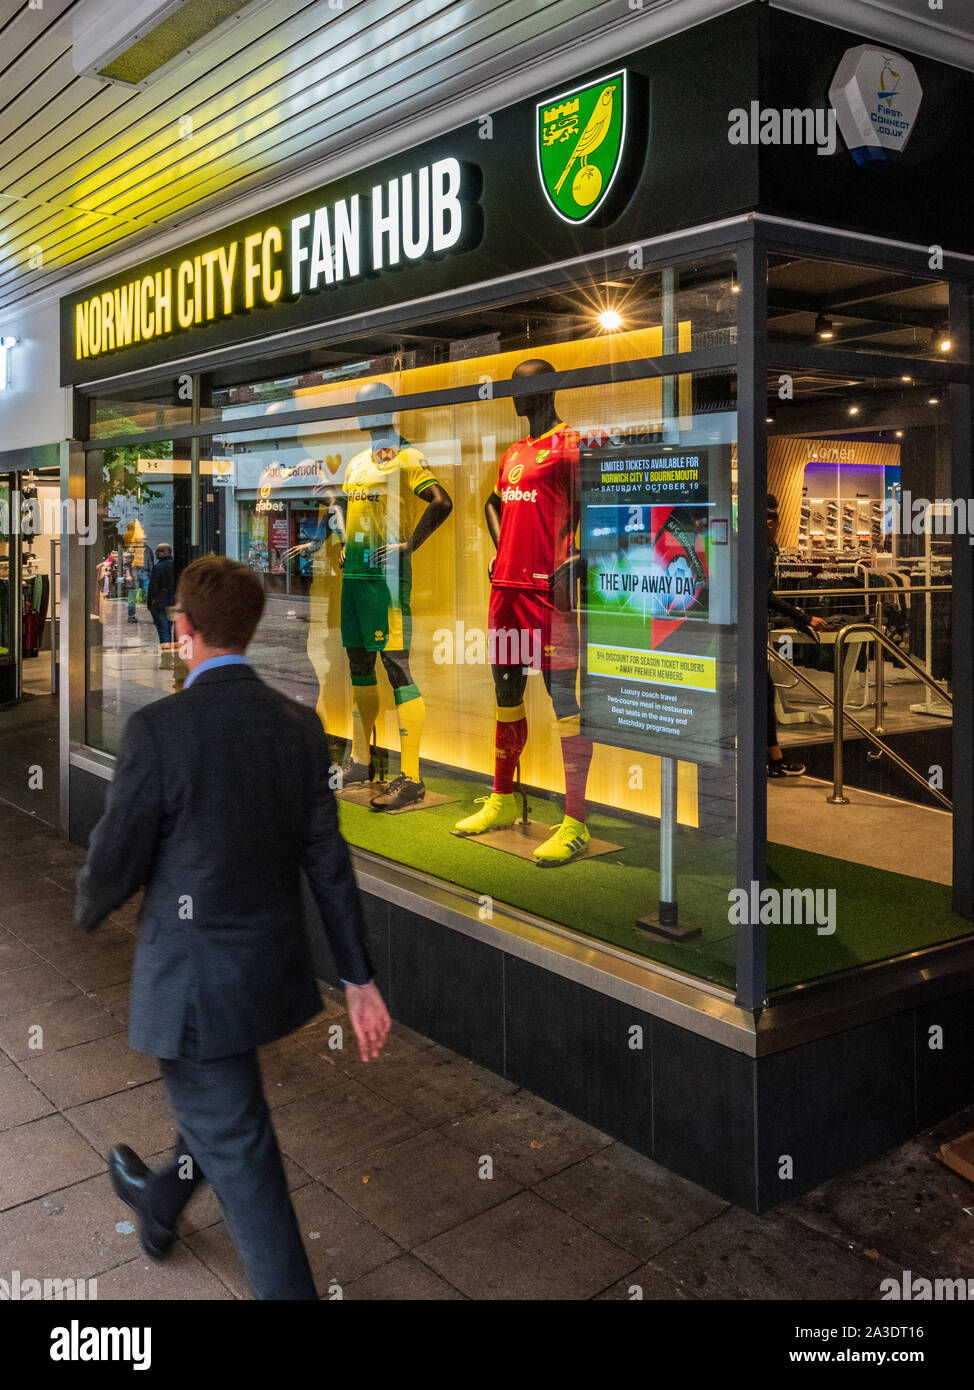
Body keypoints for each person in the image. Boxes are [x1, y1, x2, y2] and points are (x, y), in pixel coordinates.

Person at [74, 555, 391, 1300]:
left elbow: (115, 858)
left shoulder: (158, 729)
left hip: (191, 988)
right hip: (265, 975)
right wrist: (358, 977)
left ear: (183, 629)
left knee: (241, 1148)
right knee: (218, 1109)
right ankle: (158, 1203)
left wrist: (88, 904)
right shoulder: (299, 727)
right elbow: (329, 864)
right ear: (249, 629)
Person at [766, 494, 827, 777]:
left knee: (762, 693)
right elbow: (764, 595)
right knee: (762, 693)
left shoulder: (755, 543)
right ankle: (772, 759)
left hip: (740, 627)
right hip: (745, 628)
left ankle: (773, 758)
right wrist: (804, 617)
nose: (774, 525)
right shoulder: (763, 547)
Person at [146, 542, 175, 651]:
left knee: (163, 630)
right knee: (168, 628)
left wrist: (150, 603)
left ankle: (166, 657)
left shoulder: (158, 567)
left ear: (164, 552)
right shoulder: (174, 565)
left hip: (160, 604)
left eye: (158, 551)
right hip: (171, 602)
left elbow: (153, 587)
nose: (156, 553)